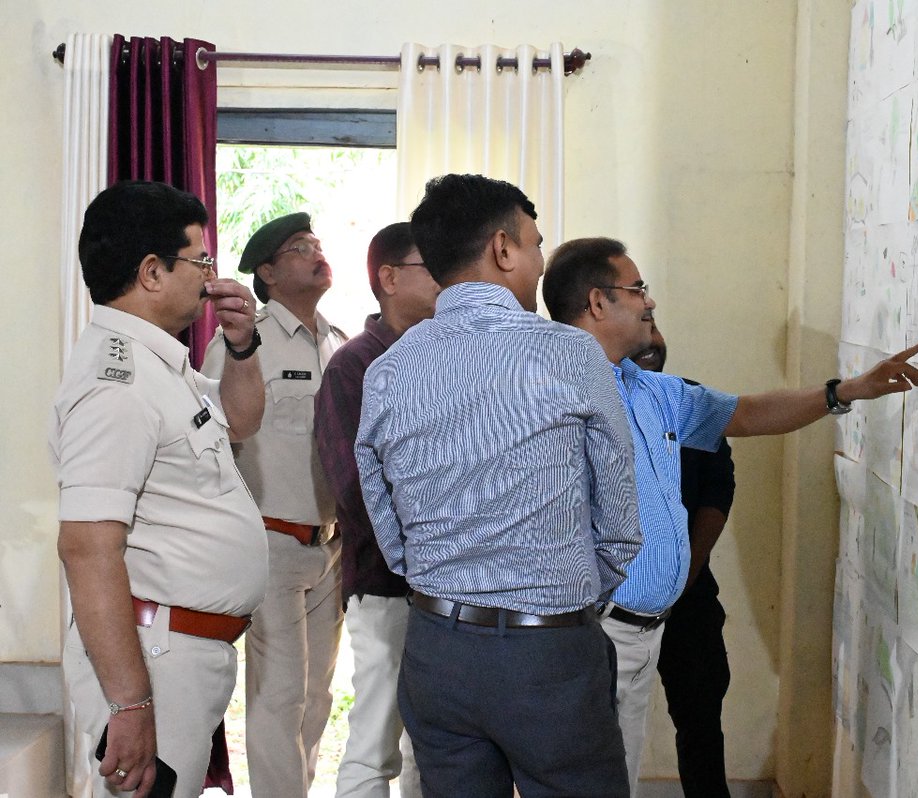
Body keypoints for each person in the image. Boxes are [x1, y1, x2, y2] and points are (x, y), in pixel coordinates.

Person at [542, 237, 918, 792]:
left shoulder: (652, 390)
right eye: (637, 288)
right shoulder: (550, 389)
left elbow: (747, 413)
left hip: (641, 634)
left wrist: (844, 392)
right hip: (588, 631)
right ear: (598, 303)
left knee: (613, 781)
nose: (649, 302)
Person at [355, 174, 642, 798]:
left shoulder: (387, 371)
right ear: (504, 249)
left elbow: (388, 527)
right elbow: (620, 525)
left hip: (435, 650)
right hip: (549, 652)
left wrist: (446, 583)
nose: (540, 260)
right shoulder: (569, 354)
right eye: (536, 243)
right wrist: (563, 595)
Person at [50, 180, 267, 798]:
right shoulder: (115, 382)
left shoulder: (157, 363)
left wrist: (243, 345)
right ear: (151, 272)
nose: (208, 277)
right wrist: (130, 703)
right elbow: (87, 548)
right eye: (200, 260)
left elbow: (241, 421)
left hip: (180, 652)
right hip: (152, 657)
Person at [202, 212, 347, 795]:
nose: (315, 250)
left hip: (331, 547)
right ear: (266, 271)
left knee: (316, 700)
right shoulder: (242, 345)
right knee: (279, 695)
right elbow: (210, 443)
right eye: (297, 246)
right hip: (270, 544)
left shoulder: (339, 343)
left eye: (317, 241)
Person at [314, 223, 439, 798]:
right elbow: (356, 488)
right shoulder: (354, 365)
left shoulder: (447, 354)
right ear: (388, 278)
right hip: (387, 582)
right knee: (375, 740)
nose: (444, 276)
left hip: (450, 586)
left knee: (434, 743)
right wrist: (418, 556)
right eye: (428, 265)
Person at [634, 325, 737, 798]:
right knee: (605, 741)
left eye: (655, 328)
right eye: (641, 328)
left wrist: (684, 573)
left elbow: (719, 487)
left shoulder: (687, 402)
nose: (652, 338)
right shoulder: (589, 399)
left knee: (700, 729)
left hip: (689, 603)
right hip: (607, 612)